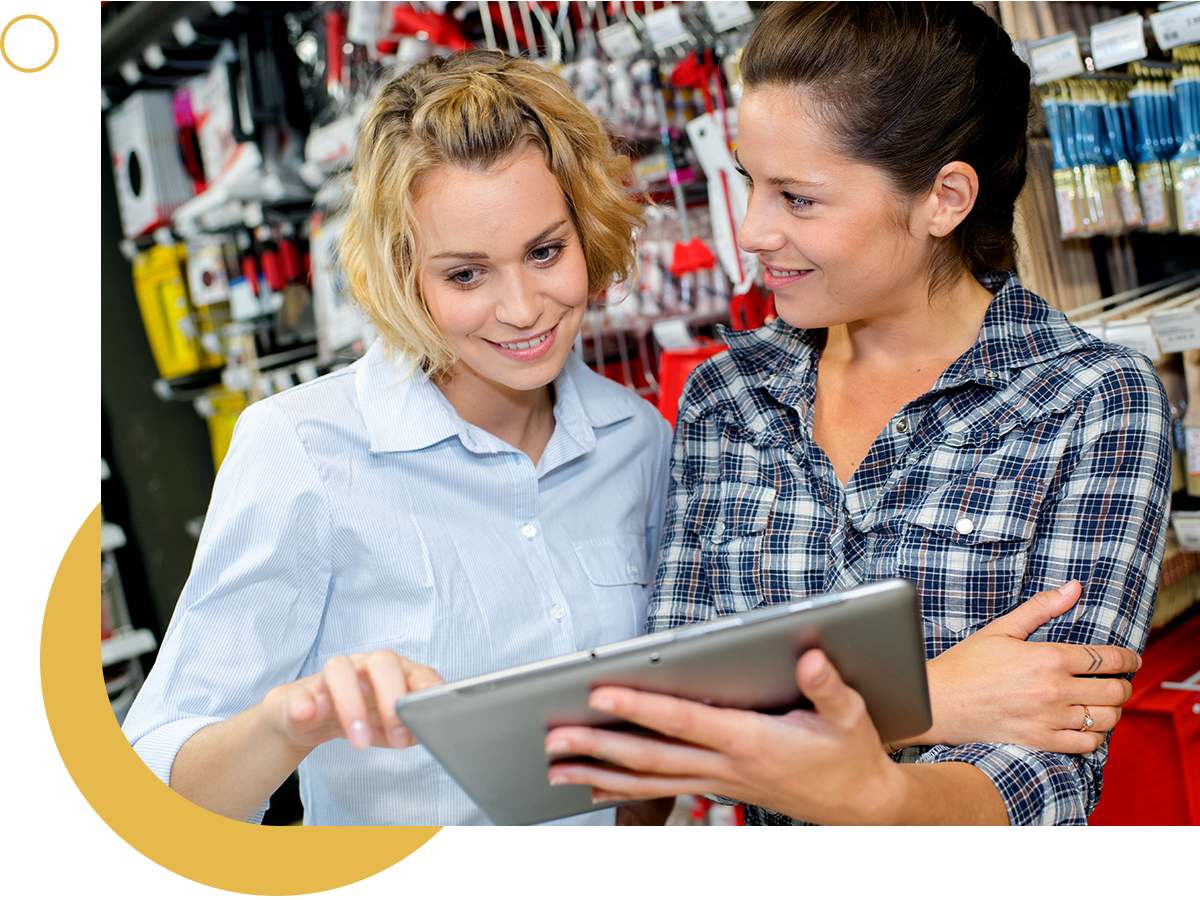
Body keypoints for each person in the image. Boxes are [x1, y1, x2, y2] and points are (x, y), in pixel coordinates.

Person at [544, 1, 1173, 827]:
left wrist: (866, 789)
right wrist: (930, 698)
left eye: (799, 199)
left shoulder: (1091, 404)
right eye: (749, 183)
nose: (753, 231)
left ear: (944, 199)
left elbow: (1048, 760)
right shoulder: (728, 401)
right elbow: (670, 719)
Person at [121, 50, 674, 827]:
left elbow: (646, 732)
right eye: (466, 275)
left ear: (588, 231)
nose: (522, 308)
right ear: (402, 273)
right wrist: (290, 721)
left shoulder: (636, 440)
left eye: (545, 252)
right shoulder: (303, 449)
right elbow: (153, 785)